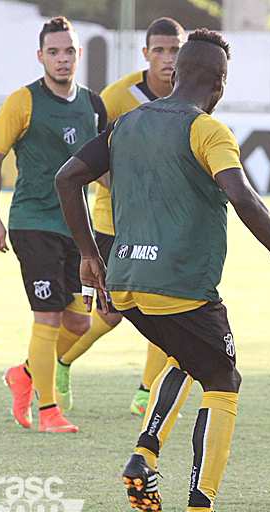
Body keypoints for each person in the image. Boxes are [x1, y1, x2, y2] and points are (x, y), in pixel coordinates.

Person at [55, 29, 270, 512]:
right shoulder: (208, 130)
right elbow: (243, 197)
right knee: (223, 380)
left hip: (127, 282)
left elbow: (66, 177)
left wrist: (90, 255)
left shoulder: (128, 122)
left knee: (185, 357)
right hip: (181, 287)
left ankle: (144, 455)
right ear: (220, 83)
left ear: (177, 72)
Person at [53, 17, 186, 417]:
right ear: (145, 54)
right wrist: (130, 192)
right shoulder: (116, 97)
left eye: (175, 50)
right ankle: (58, 362)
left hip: (165, 226)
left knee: (167, 304)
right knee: (110, 314)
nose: (168, 58)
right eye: (159, 50)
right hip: (115, 222)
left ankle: (146, 392)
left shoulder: (191, 96)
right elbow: (89, 157)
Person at [0, 16, 107, 433]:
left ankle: (24, 374)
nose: (62, 59)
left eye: (68, 51)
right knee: (48, 317)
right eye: (53, 52)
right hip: (33, 223)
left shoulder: (93, 105)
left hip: (76, 228)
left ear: (79, 54)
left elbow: (102, 169)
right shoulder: (23, 101)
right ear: (41, 57)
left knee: (79, 323)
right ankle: (49, 412)